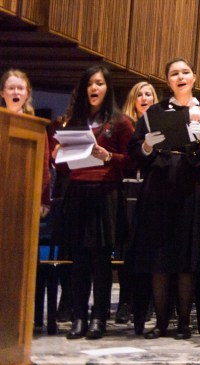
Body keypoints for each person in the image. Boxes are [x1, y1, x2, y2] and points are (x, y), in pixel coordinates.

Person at [128, 57, 200, 340]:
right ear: (168, 81)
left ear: (194, 78)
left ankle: (184, 322)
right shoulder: (154, 112)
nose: (180, 77)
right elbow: (136, 148)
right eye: (174, 74)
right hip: (158, 188)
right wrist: (147, 146)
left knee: (186, 258)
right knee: (159, 258)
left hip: (189, 190)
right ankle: (160, 322)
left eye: (185, 72)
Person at [56, 65, 135, 340]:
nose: (94, 88)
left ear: (107, 87)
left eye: (99, 83)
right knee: (79, 259)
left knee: (101, 260)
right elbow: (67, 170)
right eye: (90, 83)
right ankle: (79, 317)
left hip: (106, 194)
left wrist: (109, 157)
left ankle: (99, 318)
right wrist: (60, 155)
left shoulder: (120, 122)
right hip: (78, 193)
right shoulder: (74, 122)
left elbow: (134, 160)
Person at [114, 81, 159, 325]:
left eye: (149, 94)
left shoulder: (161, 123)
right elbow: (128, 158)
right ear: (133, 99)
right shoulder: (124, 125)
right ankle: (125, 301)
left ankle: (149, 300)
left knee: (149, 247)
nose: (144, 98)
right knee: (126, 249)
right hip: (129, 188)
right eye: (139, 94)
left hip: (153, 190)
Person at [2, 69, 49, 217]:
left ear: (27, 93)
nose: (16, 92)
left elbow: (44, 164)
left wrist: (44, 200)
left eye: (20, 88)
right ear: (2, 93)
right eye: (11, 88)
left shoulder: (36, 126)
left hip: (25, 196)